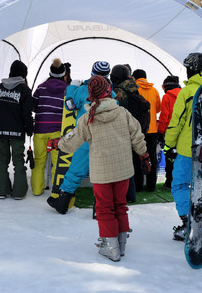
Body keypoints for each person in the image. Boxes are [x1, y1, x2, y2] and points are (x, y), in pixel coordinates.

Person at [48, 75, 149, 262]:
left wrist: (56, 144)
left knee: (104, 208)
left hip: (102, 172)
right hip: (123, 170)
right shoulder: (123, 113)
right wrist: (144, 154)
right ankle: (121, 244)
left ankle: (110, 247)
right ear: (108, 90)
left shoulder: (88, 118)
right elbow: (137, 136)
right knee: (120, 205)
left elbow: (72, 142)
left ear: (91, 94)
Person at [164, 52, 202, 241]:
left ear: (191, 69)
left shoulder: (187, 92)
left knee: (180, 184)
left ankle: (186, 221)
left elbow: (177, 121)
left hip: (186, 150)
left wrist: (168, 144)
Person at [47, 61, 112, 214]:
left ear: (92, 74)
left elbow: (69, 105)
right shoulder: (113, 94)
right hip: (105, 139)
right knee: (102, 175)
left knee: (75, 170)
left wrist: (71, 88)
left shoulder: (83, 90)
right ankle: (99, 210)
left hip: (84, 137)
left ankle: (62, 203)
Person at [0, 60, 34, 199]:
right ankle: (19, 192)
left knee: (2, 158)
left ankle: (1, 190)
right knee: (18, 160)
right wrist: (30, 128)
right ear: (23, 75)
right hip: (16, 130)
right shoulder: (24, 90)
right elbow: (27, 112)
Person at [110, 64, 150, 203]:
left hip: (122, 132)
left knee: (122, 165)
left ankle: (124, 195)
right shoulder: (134, 89)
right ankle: (132, 194)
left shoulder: (119, 92)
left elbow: (115, 113)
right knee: (133, 162)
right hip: (137, 130)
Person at [31, 58, 68, 196]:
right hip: (57, 131)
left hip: (40, 130)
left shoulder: (41, 87)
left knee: (39, 161)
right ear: (64, 74)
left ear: (50, 72)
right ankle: (57, 191)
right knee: (57, 162)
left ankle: (36, 190)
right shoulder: (66, 89)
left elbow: (33, 105)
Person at [132, 69, 161, 191]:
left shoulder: (134, 89)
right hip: (153, 130)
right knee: (152, 158)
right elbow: (158, 108)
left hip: (138, 129)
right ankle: (151, 186)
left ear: (134, 77)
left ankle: (138, 186)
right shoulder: (154, 90)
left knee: (137, 157)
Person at [157, 75, 181, 189]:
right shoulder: (184, 94)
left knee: (170, 157)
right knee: (181, 157)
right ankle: (180, 181)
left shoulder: (167, 97)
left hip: (170, 133)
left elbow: (164, 116)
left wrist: (161, 131)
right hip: (183, 133)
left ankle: (169, 181)